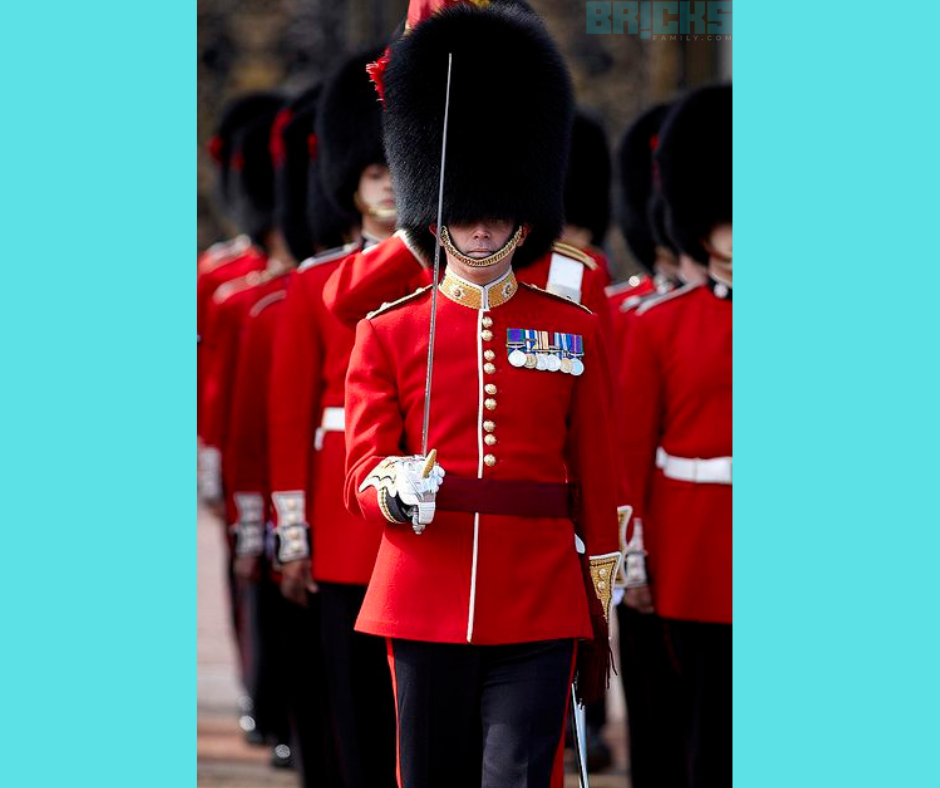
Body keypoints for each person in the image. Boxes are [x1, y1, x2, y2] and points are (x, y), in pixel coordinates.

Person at [342, 6, 621, 787]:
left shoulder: (574, 327)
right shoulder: (389, 332)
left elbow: (597, 466)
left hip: (538, 599)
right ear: (435, 208)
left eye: (495, 207)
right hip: (421, 590)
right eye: (462, 209)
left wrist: (602, 589)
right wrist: (391, 486)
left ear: (523, 212)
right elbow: (361, 466)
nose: (479, 226)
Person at [267, 47, 398, 788]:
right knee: (350, 701)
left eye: (396, 172)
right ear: (351, 184)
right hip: (342, 518)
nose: (387, 189)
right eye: (376, 174)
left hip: (427, 512)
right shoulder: (313, 283)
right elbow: (291, 417)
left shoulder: (444, 276)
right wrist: (292, 530)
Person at [618, 83, 732, 788]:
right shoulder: (660, 323)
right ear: (703, 227)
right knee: (702, 728)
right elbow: (631, 452)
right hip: (694, 552)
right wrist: (634, 556)